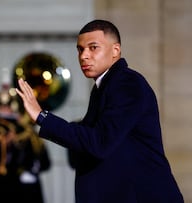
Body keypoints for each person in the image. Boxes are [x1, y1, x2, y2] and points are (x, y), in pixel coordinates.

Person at [16, 19, 184, 203]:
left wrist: (42, 117)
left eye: (93, 47)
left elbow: (100, 142)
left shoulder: (127, 83)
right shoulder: (104, 86)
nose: (84, 56)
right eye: (80, 49)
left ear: (115, 50)